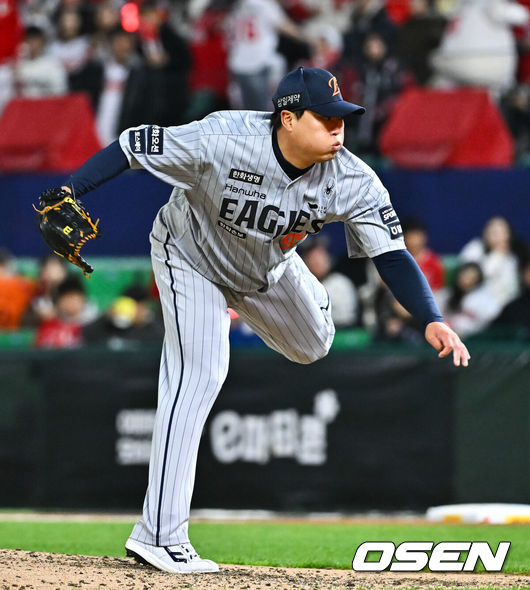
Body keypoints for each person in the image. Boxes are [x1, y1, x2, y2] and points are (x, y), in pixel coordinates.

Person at [46, 66, 469, 574]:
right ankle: (159, 535)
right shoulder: (223, 138)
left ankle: (255, 297)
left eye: (343, 117)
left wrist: (431, 318)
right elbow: (134, 143)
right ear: (287, 118)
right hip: (191, 257)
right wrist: (71, 190)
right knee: (199, 376)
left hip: (266, 267)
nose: (339, 127)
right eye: (326, 118)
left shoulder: (352, 178)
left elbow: (394, 256)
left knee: (315, 343)